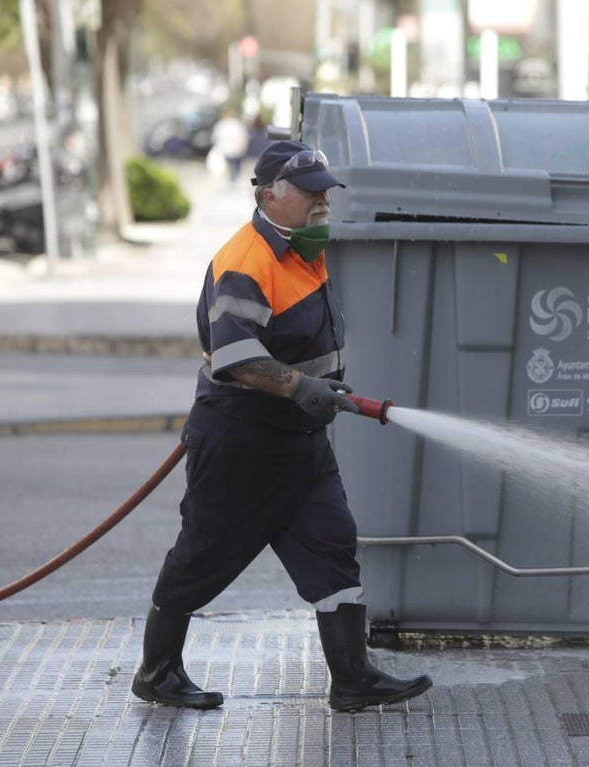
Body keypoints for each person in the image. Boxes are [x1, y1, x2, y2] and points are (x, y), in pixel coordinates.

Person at [131, 140, 433, 713]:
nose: (323, 202)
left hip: (300, 440)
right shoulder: (247, 261)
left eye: (326, 191)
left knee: (334, 548)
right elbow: (237, 356)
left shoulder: (304, 250)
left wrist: (318, 387)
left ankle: (352, 678)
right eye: (311, 192)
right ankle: (157, 671)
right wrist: (302, 387)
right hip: (241, 441)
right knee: (203, 556)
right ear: (270, 195)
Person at [209, 106, 250, 186]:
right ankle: (234, 180)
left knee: (227, 167)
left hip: (224, 150)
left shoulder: (221, 124)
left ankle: (230, 180)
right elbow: (243, 136)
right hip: (235, 150)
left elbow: (214, 138)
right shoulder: (237, 124)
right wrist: (243, 147)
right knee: (234, 167)